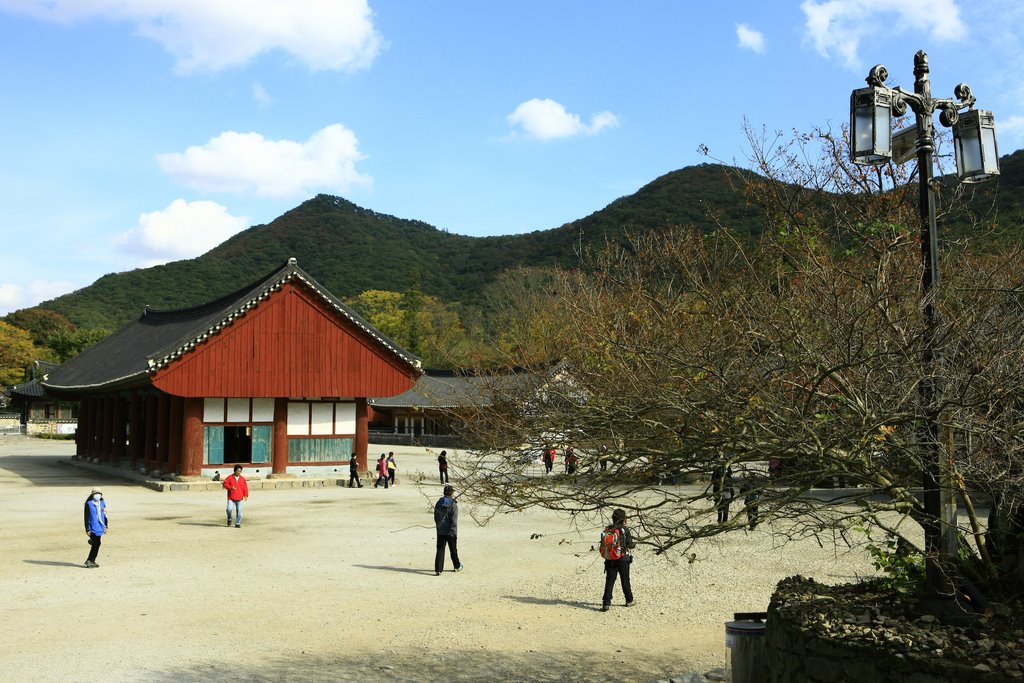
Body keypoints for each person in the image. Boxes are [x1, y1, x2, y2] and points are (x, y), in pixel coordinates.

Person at [600, 508, 636, 611]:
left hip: (610, 558)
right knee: (625, 580)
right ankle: (629, 600)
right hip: (623, 559)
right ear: (623, 519)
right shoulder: (624, 530)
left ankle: (606, 603)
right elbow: (630, 544)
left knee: (610, 581)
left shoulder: (608, 529)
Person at [434, 484, 463, 575]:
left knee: (440, 549)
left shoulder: (438, 503)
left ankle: (438, 569)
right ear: (452, 493)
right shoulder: (453, 505)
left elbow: (435, 516)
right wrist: (453, 531)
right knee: (453, 549)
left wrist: (438, 525)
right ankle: (456, 566)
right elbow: (454, 519)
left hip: (440, 530)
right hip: (450, 531)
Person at [83, 487, 108, 568]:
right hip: (92, 526)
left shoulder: (102, 503)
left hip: (100, 526)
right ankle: (89, 560)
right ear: (92, 495)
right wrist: (87, 529)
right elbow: (86, 517)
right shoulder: (89, 504)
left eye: (99, 493)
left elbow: (104, 514)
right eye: (95, 493)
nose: (97, 495)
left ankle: (92, 560)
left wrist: (106, 525)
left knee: (97, 543)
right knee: (97, 543)